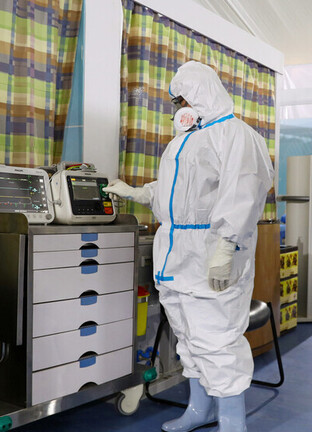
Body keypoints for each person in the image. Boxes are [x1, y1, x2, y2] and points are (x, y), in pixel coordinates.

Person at [104, 61, 274, 432]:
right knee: (187, 335)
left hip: (212, 249)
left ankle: (232, 421)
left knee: (217, 339)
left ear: (202, 94)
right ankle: (200, 410)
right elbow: (176, 192)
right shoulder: (182, 141)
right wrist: (139, 193)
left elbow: (244, 193)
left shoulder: (236, 135)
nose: (179, 106)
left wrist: (225, 248)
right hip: (176, 252)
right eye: (177, 100)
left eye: (183, 98)